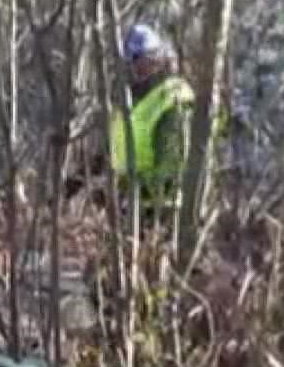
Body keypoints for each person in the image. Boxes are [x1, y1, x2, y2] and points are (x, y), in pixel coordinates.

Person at [66, 23, 196, 233]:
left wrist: (132, 191)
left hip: (161, 215)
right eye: (133, 63)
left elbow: (172, 167)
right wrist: (76, 182)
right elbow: (112, 151)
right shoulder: (131, 101)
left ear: (157, 59)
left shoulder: (173, 99)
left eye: (142, 62)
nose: (137, 70)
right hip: (129, 210)